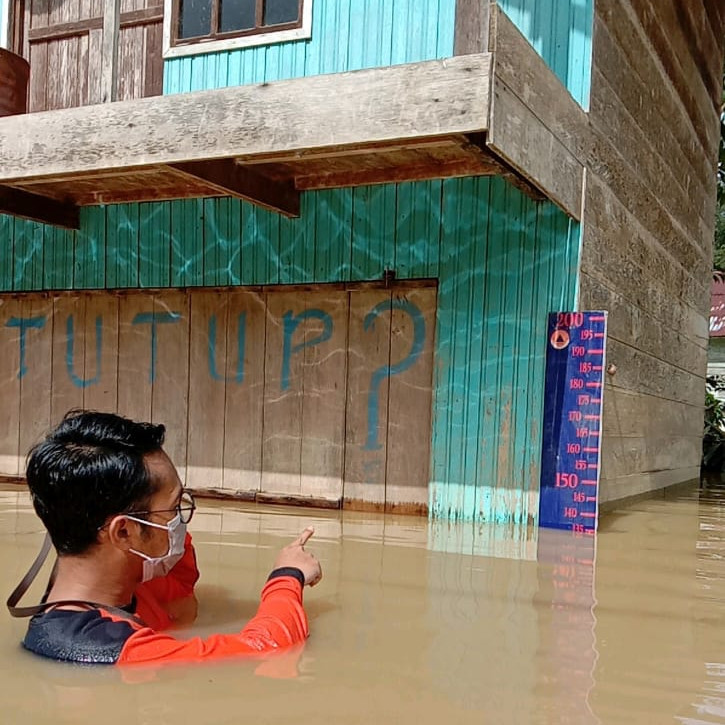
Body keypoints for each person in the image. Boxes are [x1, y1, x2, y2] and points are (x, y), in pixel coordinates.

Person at [9, 410, 322, 665]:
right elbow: (265, 649)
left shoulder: (112, 581)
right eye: (174, 509)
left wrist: (163, 521)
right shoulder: (114, 648)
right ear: (123, 531)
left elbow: (180, 587)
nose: (181, 521)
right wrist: (287, 576)